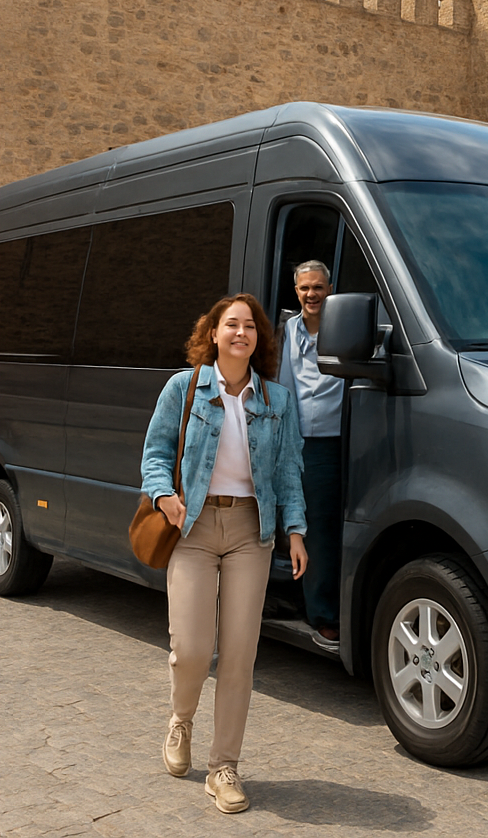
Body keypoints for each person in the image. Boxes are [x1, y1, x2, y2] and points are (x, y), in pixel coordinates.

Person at [141, 293, 308, 813]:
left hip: (249, 531)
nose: (241, 333)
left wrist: (295, 530)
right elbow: (155, 453)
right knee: (192, 649)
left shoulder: (277, 400)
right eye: (231, 324)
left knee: (239, 654)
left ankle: (224, 767)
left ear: (259, 338)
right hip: (191, 525)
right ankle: (181, 720)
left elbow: (287, 470)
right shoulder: (183, 387)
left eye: (250, 326)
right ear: (212, 334)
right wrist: (163, 495)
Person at [278, 260, 345, 653]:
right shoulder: (289, 330)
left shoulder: (344, 326)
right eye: (304, 288)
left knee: (332, 527)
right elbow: (284, 384)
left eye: (318, 287)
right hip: (305, 441)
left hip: (343, 437)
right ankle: (322, 616)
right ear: (296, 291)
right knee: (314, 528)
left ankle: (332, 606)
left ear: (329, 289)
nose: (311, 294)